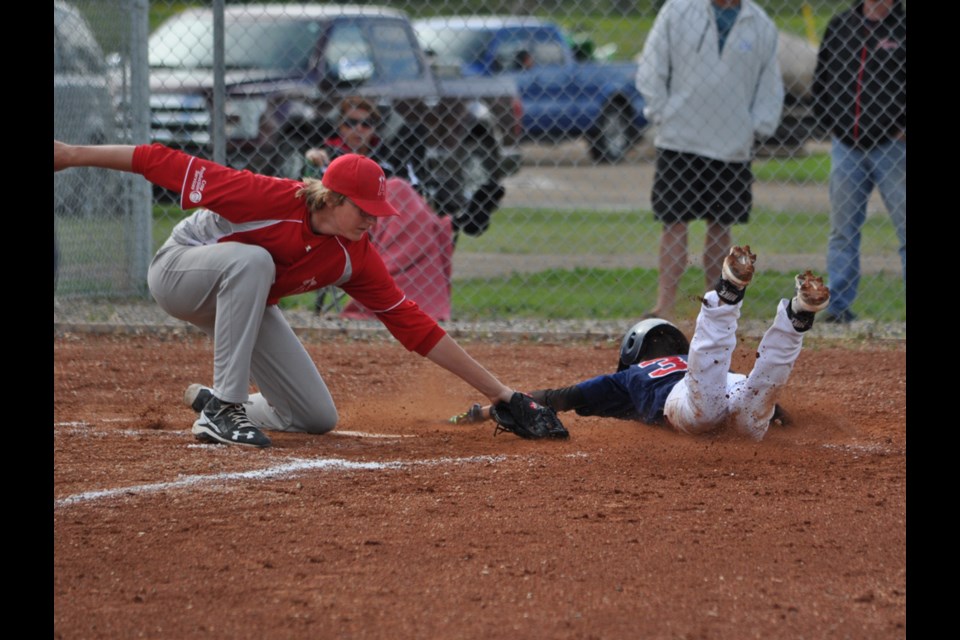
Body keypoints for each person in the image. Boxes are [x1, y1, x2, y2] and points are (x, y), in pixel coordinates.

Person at [53, 139, 526, 449]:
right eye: (364, 209)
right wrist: (70, 154)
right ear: (332, 199)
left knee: (315, 416)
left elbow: (413, 324)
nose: (373, 220)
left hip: (242, 296)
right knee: (253, 260)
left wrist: (503, 394)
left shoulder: (355, 254)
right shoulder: (266, 197)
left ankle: (219, 399)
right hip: (180, 272)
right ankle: (223, 410)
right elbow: (161, 160)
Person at [455, 246, 831, 441]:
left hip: (692, 404)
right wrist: (786, 421)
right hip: (732, 388)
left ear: (633, 351)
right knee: (755, 402)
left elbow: (557, 397)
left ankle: (729, 296)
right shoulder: (684, 357)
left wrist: (492, 408)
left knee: (712, 394)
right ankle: (796, 317)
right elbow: (763, 394)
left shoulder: (628, 377)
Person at [635, 0, 784, 320]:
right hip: (679, 139)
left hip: (731, 144)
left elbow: (769, 84)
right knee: (673, 222)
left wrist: (756, 128)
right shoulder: (677, 10)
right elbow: (652, 63)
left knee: (721, 225)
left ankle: (714, 308)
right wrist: (660, 111)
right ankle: (665, 306)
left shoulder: (759, 24)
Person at [304, 96, 454, 321]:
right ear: (339, 126)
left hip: (392, 219)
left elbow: (412, 190)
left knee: (400, 190)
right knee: (398, 189)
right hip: (351, 223)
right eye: (350, 123)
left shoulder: (389, 156)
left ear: (375, 128)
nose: (359, 129)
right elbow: (310, 194)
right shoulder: (327, 155)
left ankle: (455, 220)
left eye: (366, 124)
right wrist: (313, 164)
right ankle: (460, 221)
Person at [812, 0, 906, 324]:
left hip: (893, 147)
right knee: (843, 231)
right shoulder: (841, 26)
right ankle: (838, 307)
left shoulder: (902, 28)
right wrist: (832, 123)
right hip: (846, 146)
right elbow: (821, 79)